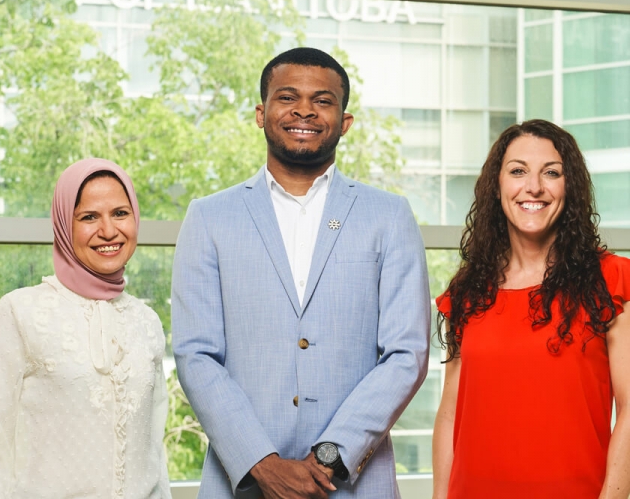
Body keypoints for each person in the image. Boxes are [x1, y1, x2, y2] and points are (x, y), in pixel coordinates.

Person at [171, 47, 431, 499]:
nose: (304, 110)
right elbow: (195, 354)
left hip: (351, 482)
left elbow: (407, 353)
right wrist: (261, 463)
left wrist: (329, 457)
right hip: (243, 484)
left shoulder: (389, 216)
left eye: (323, 100)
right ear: (261, 113)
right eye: (287, 97)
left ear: (344, 122)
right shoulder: (209, 218)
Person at [432, 120, 630, 499]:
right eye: (518, 171)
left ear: (569, 187)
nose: (533, 186)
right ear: (498, 186)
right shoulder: (468, 291)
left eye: (551, 173)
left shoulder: (610, 281)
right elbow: (449, 415)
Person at [0, 158, 171, 499]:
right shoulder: (21, 311)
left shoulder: (146, 321)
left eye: (120, 213)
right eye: (89, 217)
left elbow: (153, 450)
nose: (108, 231)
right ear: (63, 225)